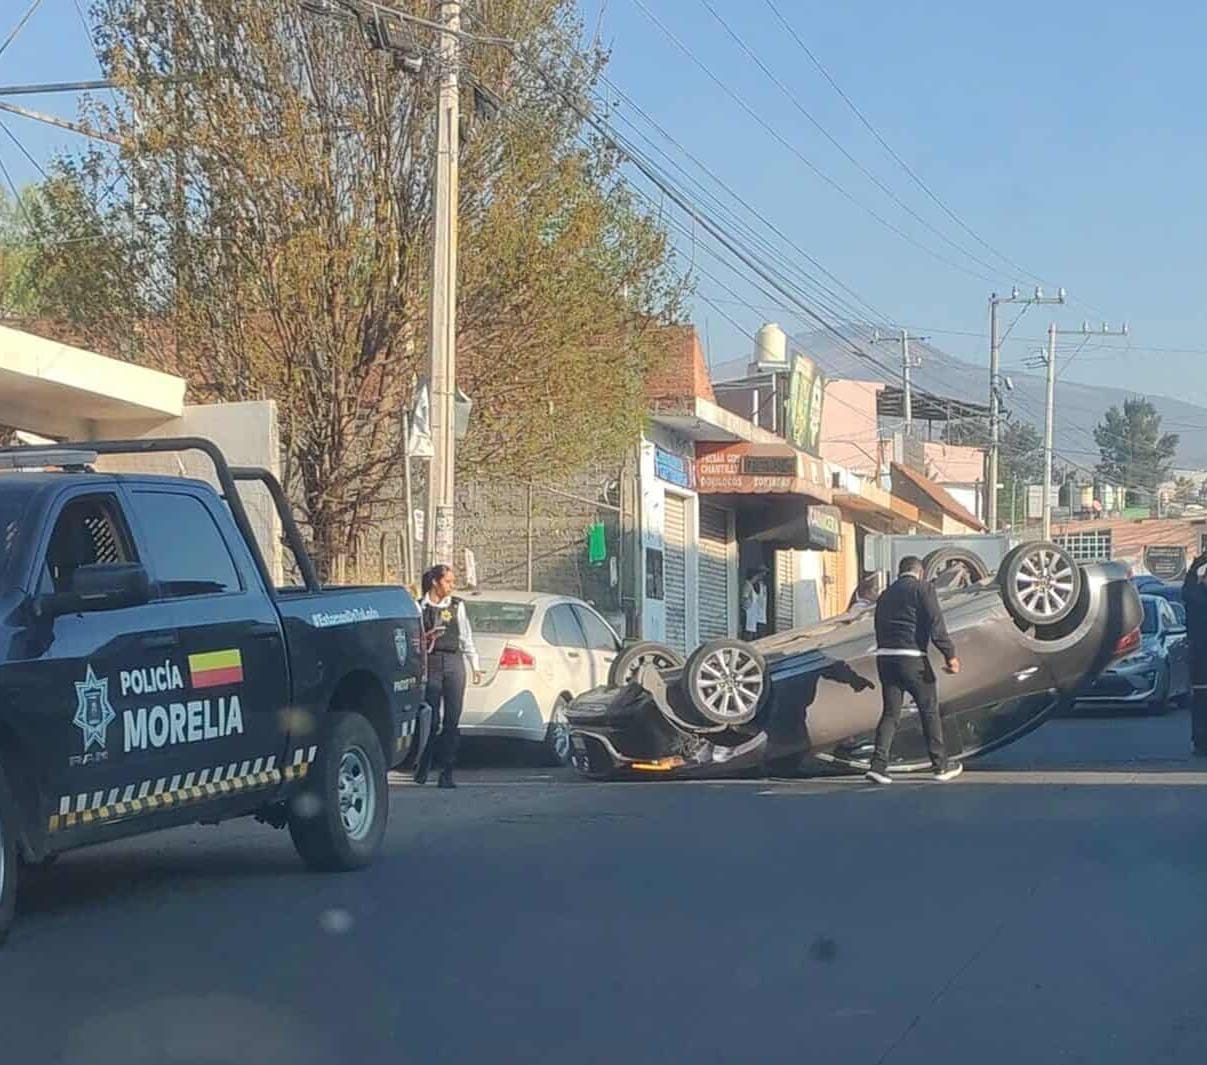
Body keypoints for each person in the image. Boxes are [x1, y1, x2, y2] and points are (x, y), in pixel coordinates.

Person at [866, 556, 962, 785]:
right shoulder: (923, 589)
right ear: (920, 573)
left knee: (890, 713)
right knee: (929, 710)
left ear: (900, 572)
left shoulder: (885, 595)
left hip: (886, 659)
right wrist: (950, 655)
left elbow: (878, 625)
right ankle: (940, 766)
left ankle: (878, 767)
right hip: (913, 658)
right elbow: (936, 624)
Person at [414, 563, 482, 788]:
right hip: (431, 664)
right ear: (435, 582)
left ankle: (447, 772)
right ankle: (423, 764)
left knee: (452, 720)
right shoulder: (419, 607)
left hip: (454, 662)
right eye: (448, 582)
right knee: (430, 720)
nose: (452, 586)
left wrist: (475, 665)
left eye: (453, 582)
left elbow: (466, 637)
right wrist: (427, 638)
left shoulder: (456, 606)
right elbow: (414, 640)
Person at [1181, 554, 1207, 755]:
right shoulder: (1195, 597)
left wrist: (1199, 561)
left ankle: (1200, 738)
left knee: (1200, 699)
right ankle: (1200, 738)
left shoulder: (1194, 597)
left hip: (1199, 655)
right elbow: (1189, 586)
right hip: (1200, 657)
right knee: (1200, 698)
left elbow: (1188, 585)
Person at [741, 566, 769, 640]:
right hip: (750, 617)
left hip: (760, 617)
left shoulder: (762, 586)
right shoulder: (748, 585)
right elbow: (744, 599)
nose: (762, 576)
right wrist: (746, 604)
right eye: (761, 574)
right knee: (750, 637)